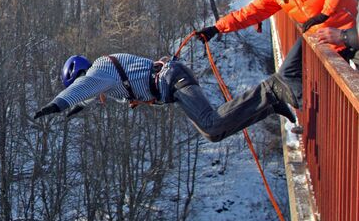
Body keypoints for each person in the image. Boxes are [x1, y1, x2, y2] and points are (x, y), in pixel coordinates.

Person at [196, 0, 357, 109]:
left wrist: (325, 13)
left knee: (341, 86)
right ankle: (311, 110)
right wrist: (216, 28)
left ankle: (320, 110)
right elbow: (250, 12)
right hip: (319, 38)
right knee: (289, 74)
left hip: (345, 32)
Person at [34, 54, 296, 143]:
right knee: (213, 133)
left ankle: (270, 89)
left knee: (212, 123)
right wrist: (76, 108)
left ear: (80, 74)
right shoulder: (106, 78)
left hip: (174, 79)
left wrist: (57, 104)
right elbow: (87, 95)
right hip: (173, 84)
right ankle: (269, 105)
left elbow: (85, 87)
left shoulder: (99, 71)